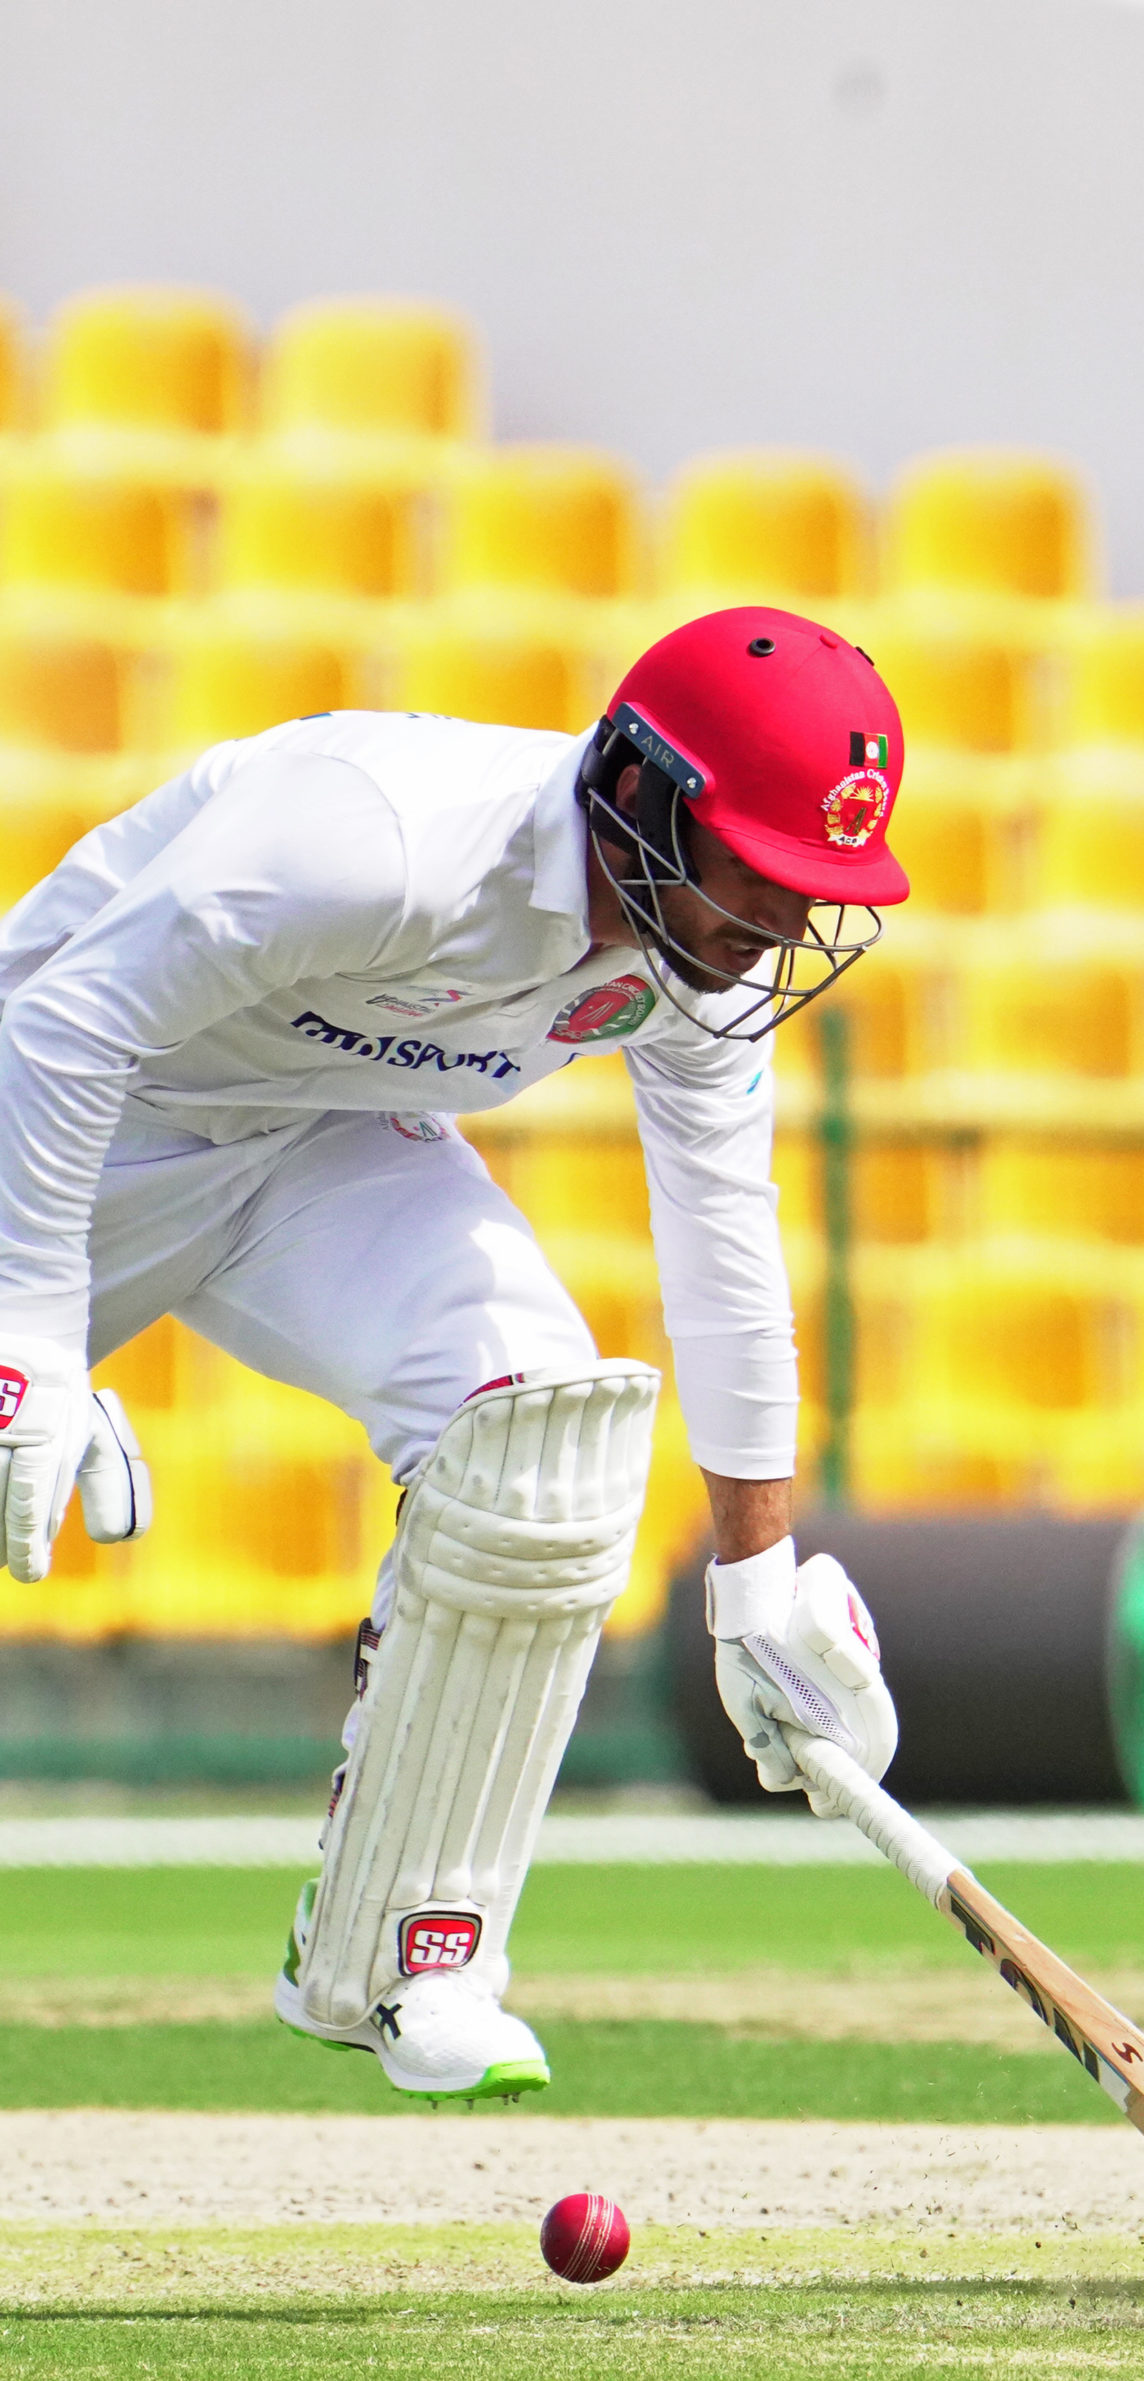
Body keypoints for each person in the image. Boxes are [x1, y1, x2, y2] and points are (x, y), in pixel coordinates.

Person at [0, 607, 907, 2101]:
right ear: (639, 790)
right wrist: (32, 1333)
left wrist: (757, 1585)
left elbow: (723, 1229)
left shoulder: (697, 965)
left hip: (322, 1147)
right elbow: (62, 1027)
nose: (783, 929)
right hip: (75, 1118)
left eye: (817, 891)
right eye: (764, 871)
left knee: (536, 1440)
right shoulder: (374, 840)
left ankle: (408, 1951)